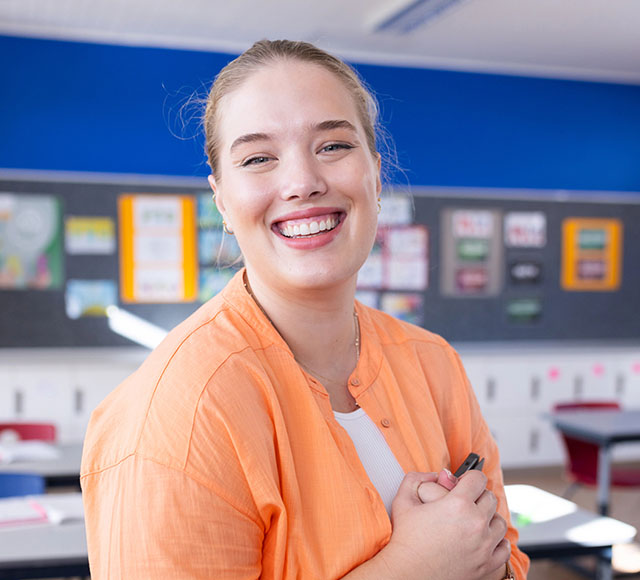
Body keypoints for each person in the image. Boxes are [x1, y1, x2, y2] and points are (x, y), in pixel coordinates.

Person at [81, 39, 529, 579]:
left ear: (376, 174)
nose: (303, 183)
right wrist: (418, 566)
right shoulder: (180, 414)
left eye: (334, 146)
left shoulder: (433, 364)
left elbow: (506, 561)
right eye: (258, 158)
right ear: (222, 200)